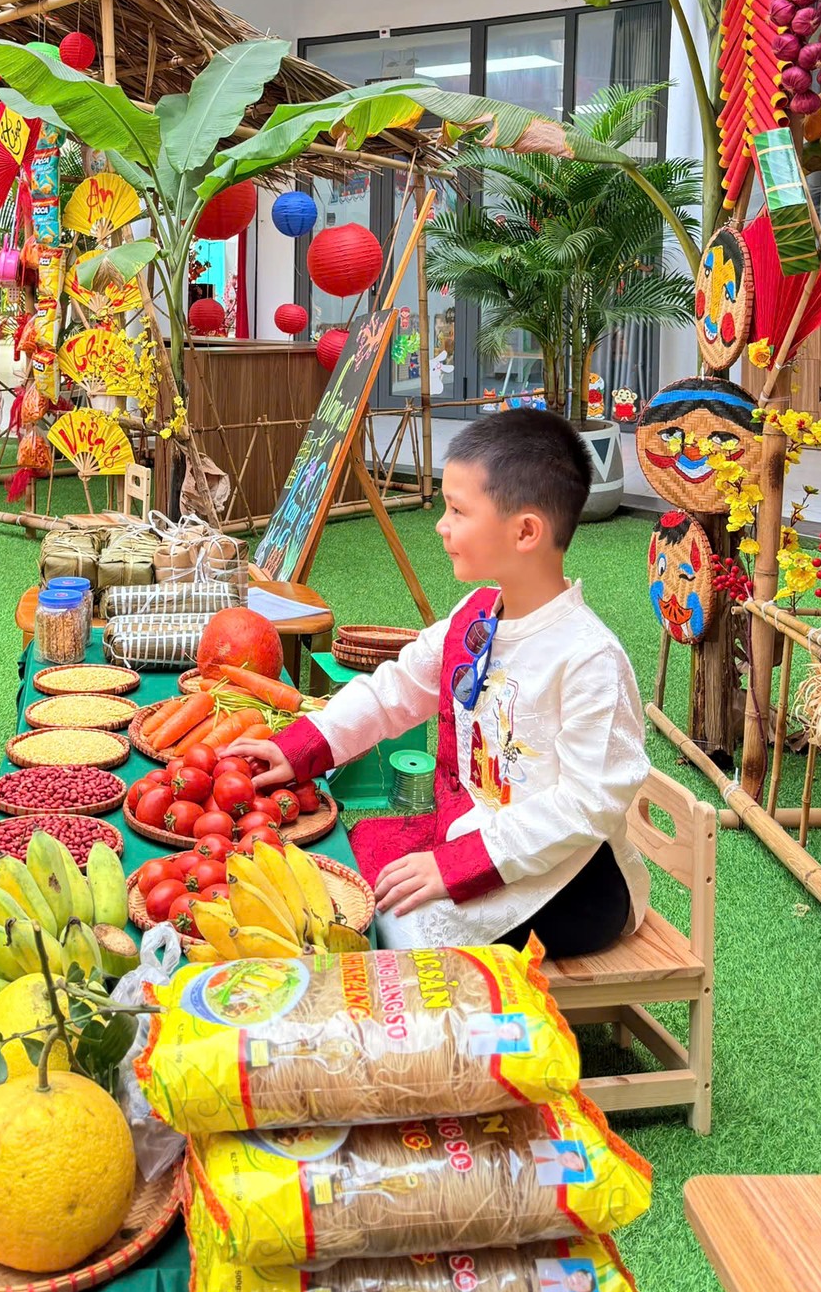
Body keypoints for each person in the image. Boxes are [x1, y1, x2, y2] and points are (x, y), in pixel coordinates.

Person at [228, 409, 649, 958]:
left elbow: (585, 807)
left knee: (387, 925)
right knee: (341, 867)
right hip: (478, 836)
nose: (441, 525)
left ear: (526, 531)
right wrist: (305, 744)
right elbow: (397, 689)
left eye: (457, 510)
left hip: (572, 880)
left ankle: (417, 1037)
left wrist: (456, 866)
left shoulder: (589, 657)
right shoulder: (476, 616)